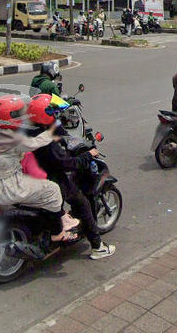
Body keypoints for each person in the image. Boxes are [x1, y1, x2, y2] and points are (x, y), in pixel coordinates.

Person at [0, 95, 79, 242]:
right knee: (52, 190)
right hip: (7, 185)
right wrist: (54, 129)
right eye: (18, 113)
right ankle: (58, 233)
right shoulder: (13, 138)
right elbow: (35, 142)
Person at [31, 96, 115, 259]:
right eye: (54, 112)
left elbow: (63, 139)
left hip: (32, 176)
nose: (56, 116)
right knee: (82, 203)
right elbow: (64, 163)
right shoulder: (47, 141)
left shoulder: (31, 130)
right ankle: (98, 247)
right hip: (52, 180)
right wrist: (86, 156)